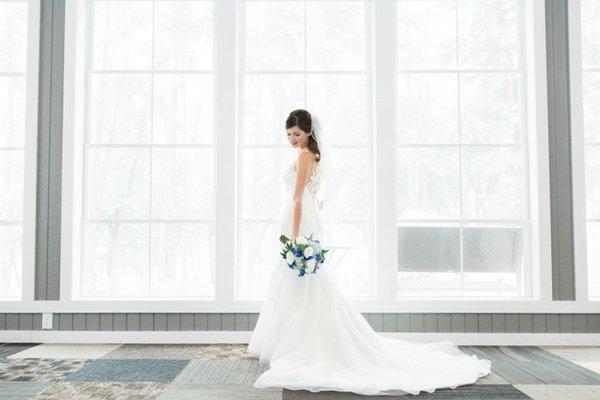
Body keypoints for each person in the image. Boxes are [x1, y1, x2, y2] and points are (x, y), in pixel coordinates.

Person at [246, 109, 492, 396]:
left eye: (297, 134)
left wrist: (295, 233)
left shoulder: (303, 156)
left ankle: (303, 342)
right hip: (307, 216)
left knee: (303, 279)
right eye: (288, 135)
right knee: (306, 280)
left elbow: (299, 196)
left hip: (299, 218)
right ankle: (297, 338)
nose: (292, 139)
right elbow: (316, 197)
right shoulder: (315, 156)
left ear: (309, 132)